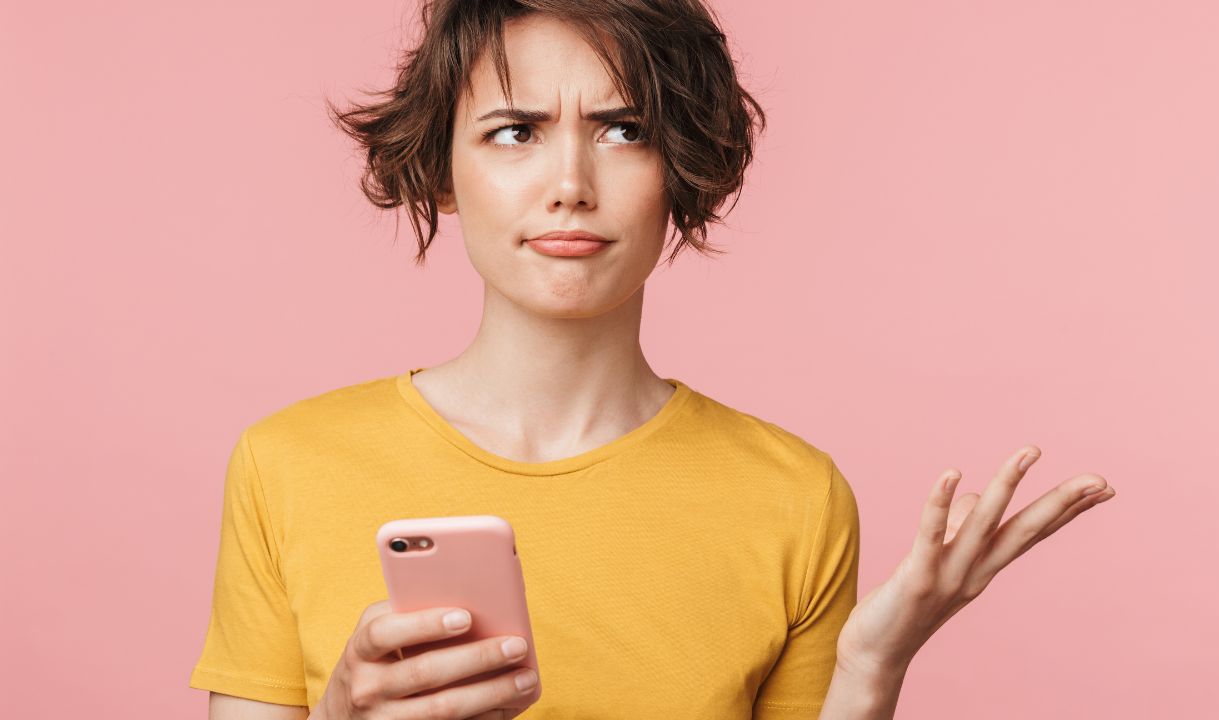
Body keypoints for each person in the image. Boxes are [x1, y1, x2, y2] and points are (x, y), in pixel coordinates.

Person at [189, 1, 1117, 719]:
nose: (569, 186)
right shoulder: (289, 465)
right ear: (441, 169)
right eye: (515, 131)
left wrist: (870, 672)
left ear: (680, 169)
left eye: (623, 130)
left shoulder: (793, 495)